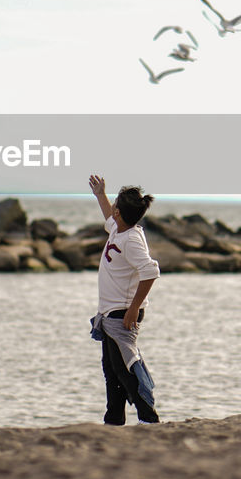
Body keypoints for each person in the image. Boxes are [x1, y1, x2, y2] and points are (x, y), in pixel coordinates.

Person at [87, 174, 161, 425]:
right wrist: (100, 194)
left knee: (126, 368)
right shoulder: (119, 228)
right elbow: (109, 216)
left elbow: (151, 271)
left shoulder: (131, 239)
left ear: (120, 212)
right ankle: (114, 419)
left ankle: (149, 418)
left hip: (123, 312)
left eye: (115, 206)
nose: (112, 210)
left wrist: (133, 309)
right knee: (111, 369)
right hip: (109, 312)